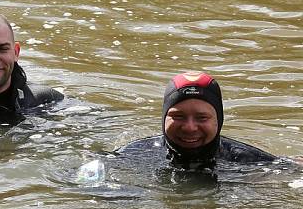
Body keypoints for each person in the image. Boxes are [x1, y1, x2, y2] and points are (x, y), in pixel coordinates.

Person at [115, 71, 277, 170]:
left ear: (218, 120)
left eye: (202, 118)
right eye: (178, 116)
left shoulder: (248, 161)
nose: (189, 127)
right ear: (164, 117)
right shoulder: (132, 155)